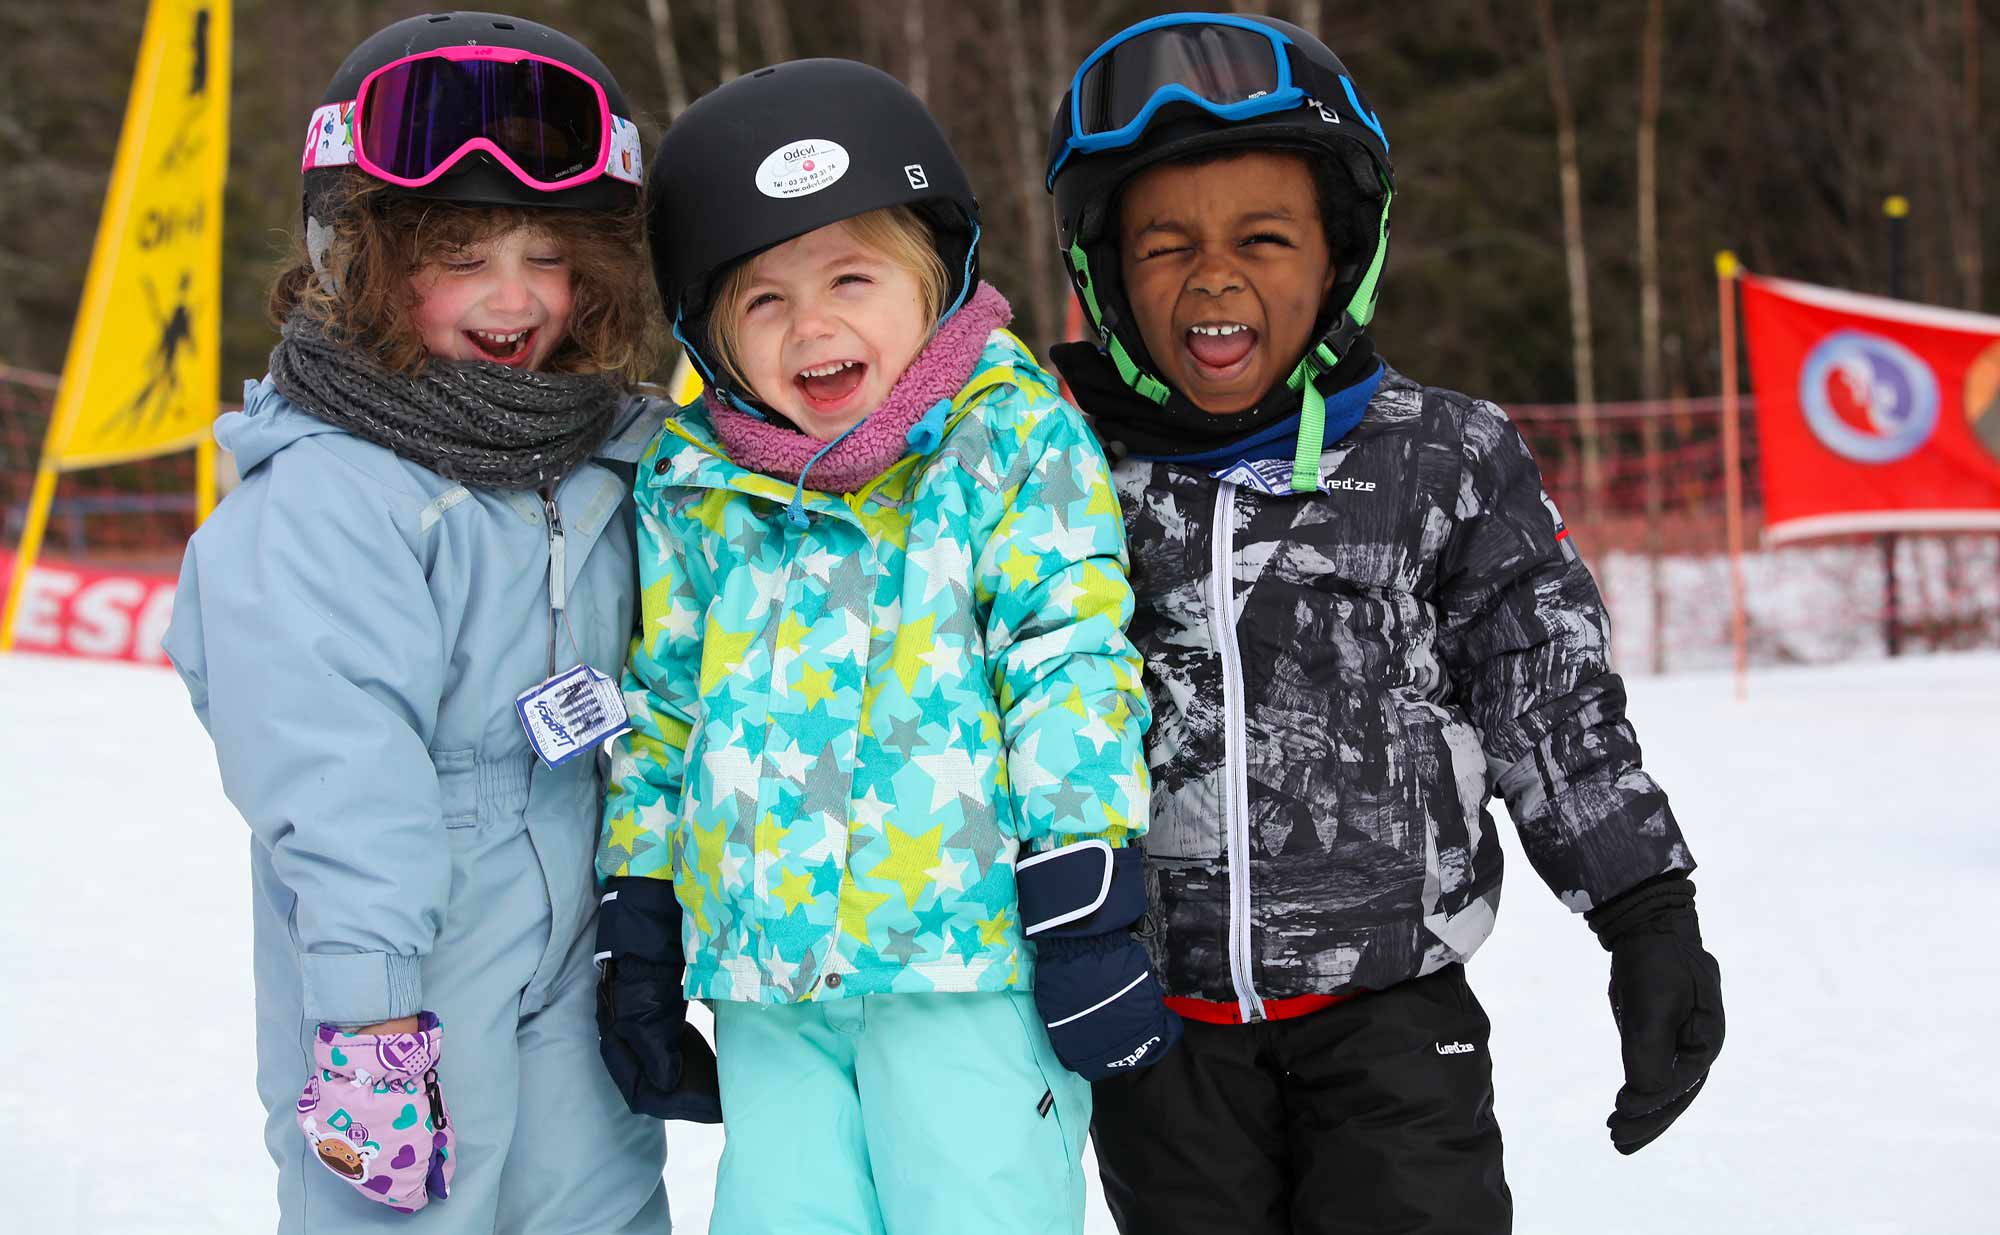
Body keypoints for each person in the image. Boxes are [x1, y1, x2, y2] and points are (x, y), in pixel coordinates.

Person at [1043, 13, 1726, 1234]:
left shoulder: (1441, 454)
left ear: (1339, 252)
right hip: (1160, 1032)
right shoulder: (1060, 472)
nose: (1211, 277)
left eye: (1263, 237)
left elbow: (1546, 697)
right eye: (1163, 246)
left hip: (1394, 1019)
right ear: (1104, 272)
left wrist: (1644, 916)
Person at [590, 58, 1176, 1235]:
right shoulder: (695, 480)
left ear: (930, 284)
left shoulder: (1004, 436)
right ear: (711, 335)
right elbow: (662, 705)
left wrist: (1081, 881)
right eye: (762, 301)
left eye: (851, 277)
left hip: (965, 966)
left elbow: (1066, 652)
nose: (813, 325)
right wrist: (639, 915)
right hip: (767, 983)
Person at [164, 12, 700, 1231]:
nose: (512, 298)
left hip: (573, 957)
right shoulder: (329, 497)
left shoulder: (597, 460)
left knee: (601, 1206)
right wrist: (367, 1013)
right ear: (361, 259)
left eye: (546, 255)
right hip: (404, 977)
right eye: (459, 253)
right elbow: (333, 772)